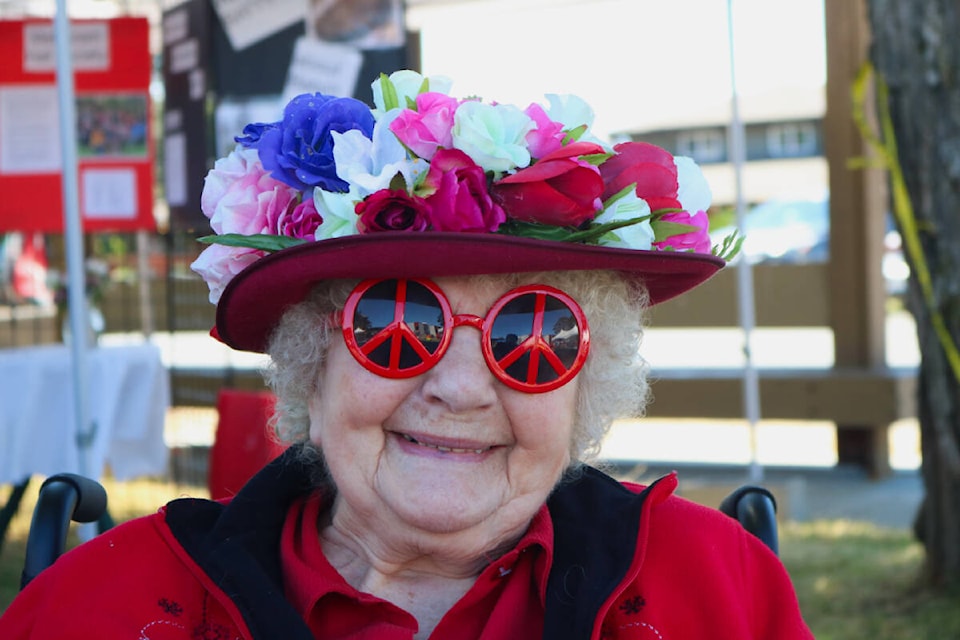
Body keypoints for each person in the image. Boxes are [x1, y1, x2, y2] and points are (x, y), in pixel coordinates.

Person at [0, 69, 813, 639]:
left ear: (584, 390)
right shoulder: (104, 605)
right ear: (311, 367)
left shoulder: (720, 588)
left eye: (532, 335)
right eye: (397, 321)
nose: (460, 388)